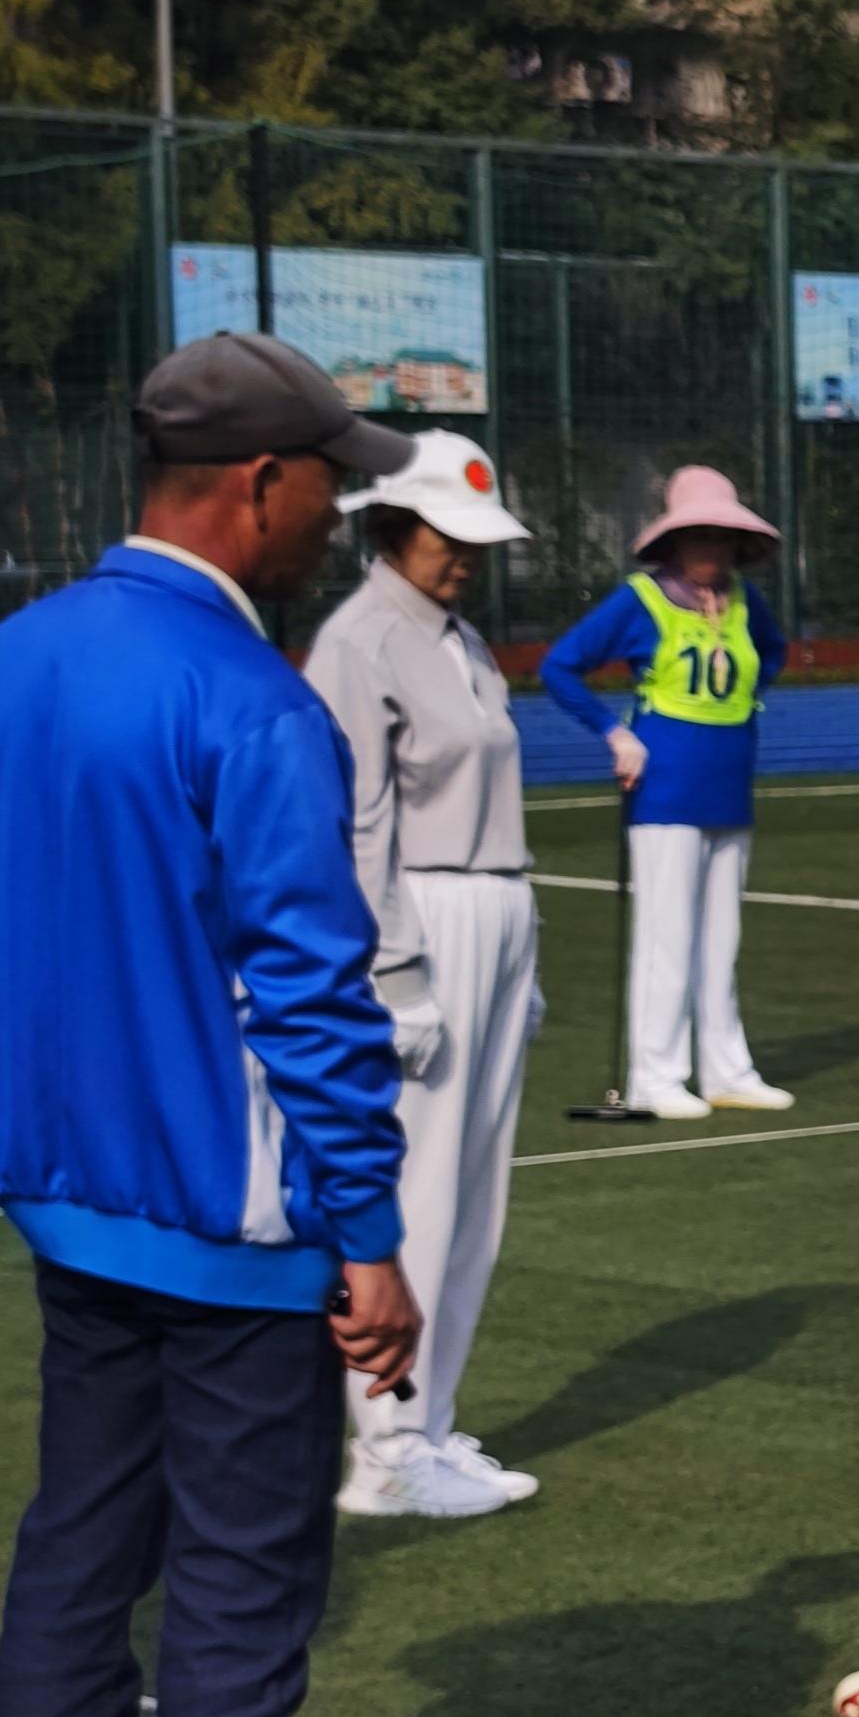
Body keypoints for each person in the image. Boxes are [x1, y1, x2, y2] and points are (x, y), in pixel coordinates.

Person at [0, 333, 462, 1717]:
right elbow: (309, 992)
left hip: (60, 1201)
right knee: (240, 1596)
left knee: (74, 1567)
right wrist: (368, 1237)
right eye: (327, 484)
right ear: (259, 485)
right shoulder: (250, 698)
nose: (337, 515)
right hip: (227, 1226)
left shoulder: (2, 661)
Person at [303, 432, 547, 1521]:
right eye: (449, 538)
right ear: (397, 527)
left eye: (474, 541)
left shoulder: (462, 638)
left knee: (477, 1195)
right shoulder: (358, 642)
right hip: (425, 914)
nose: (466, 558)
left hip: (496, 907)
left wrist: (524, 956)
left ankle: (431, 1426)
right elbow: (361, 822)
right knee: (421, 1189)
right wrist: (394, 971)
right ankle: (387, 1447)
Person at [538, 467, 795, 1119]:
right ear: (674, 542)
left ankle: (727, 1070)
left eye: (722, 537)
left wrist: (743, 703)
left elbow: (771, 653)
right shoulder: (641, 601)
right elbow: (559, 666)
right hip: (665, 792)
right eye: (699, 536)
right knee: (666, 936)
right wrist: (614, 733)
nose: (711, 550)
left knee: (721, 938)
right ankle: (655, 1076)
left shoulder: (744, 602)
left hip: (730, 786)